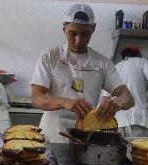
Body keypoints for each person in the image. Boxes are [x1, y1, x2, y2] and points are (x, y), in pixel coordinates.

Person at [30, 3, 134, 143]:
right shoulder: (50, 56)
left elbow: (128, 97)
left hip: (85, 138)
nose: (78, 40)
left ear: (93, 29)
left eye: (85, 34)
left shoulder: (102, 62)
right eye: (72, 33)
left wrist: (118, 102)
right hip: (52, 136)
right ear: (64, 28)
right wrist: (65, 102)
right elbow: (37, 99)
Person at [102, 44, 148, 137]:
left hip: (118, 123)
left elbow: (105, 100)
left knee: (121, 151)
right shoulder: (141, 62)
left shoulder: (115, 68)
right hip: (137, 120)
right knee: (139, 150)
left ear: (123, 57)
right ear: (139, 55)